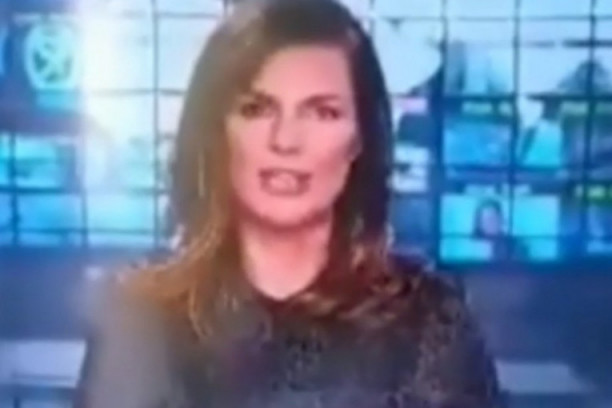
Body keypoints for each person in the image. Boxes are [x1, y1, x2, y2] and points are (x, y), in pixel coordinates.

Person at [76, 0, 503, 406]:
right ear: (215, 130)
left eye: (322, 112)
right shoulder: (140, 317)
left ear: (359, 139)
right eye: (256, 109)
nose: (285, 140)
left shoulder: (429, 323)